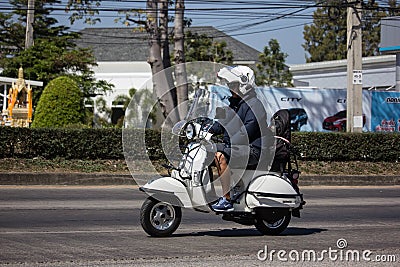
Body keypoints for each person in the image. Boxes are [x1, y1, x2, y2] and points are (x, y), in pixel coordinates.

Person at [210, 66, 269, 212]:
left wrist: (229, 142)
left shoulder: (255, 105)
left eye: (233, 85)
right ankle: (209, 193)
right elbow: (223, 123)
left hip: (255, 150)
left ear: (244, 85)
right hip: (241, 148)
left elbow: (247, 130)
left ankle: (227, 199)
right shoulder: (236, 104)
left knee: (219, 156)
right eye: (230, 85)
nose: (230, 88)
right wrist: (206, 127)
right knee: (205, 151)